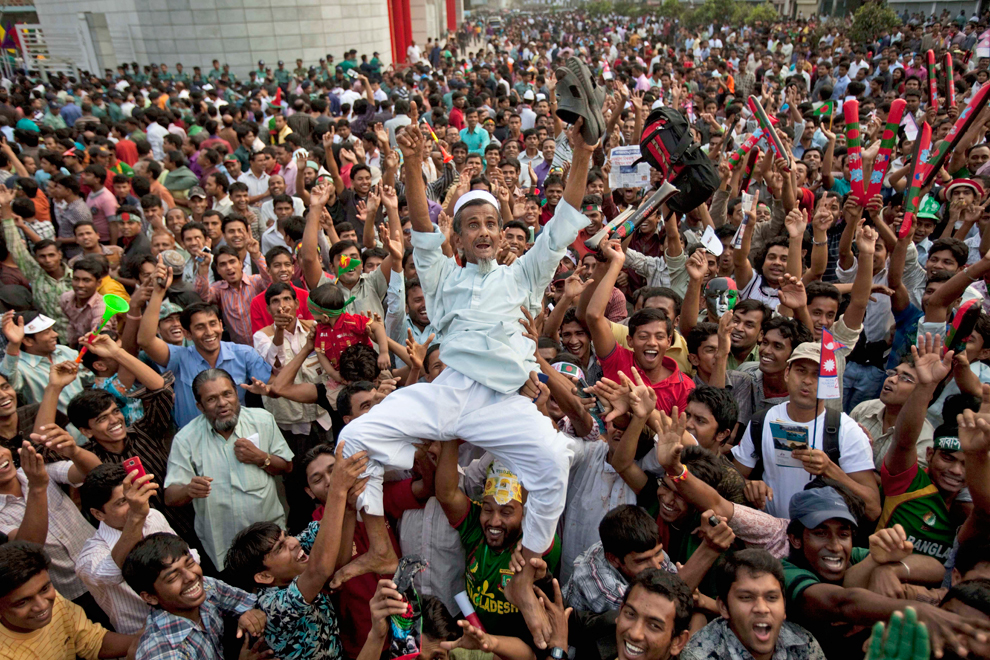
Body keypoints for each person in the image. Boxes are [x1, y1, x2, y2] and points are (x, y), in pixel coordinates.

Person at [332, 119, 598, 648]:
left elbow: (565, 218)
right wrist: (411, 164)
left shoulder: (523, 274)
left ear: (501, 233)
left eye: (489, 223)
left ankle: (526, 571)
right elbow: (419, 224)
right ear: (457, 234)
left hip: (502, 403)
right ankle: (381, 543)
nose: (480, 231)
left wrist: (583, 153)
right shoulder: (441, 275)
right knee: (351, 441)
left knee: (550, 468)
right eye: (470, 223)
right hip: (446, 392)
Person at [222, 441, 366, 660]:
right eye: (280, 547)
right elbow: (320, 571)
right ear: (264, 576)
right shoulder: (272, 606)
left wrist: (346, 509)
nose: (293, 543)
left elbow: (332, 546)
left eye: (286, 535)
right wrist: (337, 489)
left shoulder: (291, 556)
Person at [731, 342, 879, 520]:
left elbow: (872, 509)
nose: (807, 381)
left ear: (830, 382)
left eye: (818, 374)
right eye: (801, 370)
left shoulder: (847, 431)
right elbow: (735, 478)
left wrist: (830, 469)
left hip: (819, 540)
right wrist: (750, 486)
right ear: (787, 373)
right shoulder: (761, 421)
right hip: (770, 533)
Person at [163, 368, 293, 568]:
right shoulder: (185, 439)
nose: (222, 403)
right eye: (212, 399)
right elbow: (171, 497)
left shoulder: (262, 420)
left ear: (236, 394)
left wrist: (261, 458)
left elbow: (287, 466)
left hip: (271, 541)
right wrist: (189, 490)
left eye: (227, 394)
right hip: (224, 548)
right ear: (200, 406)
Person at [137, 258, 273, 428]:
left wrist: (266, 389)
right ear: (187, 333)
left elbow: (274, 385)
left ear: (221, 326)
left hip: (238, 437)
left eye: (213, 324)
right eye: (200, 327)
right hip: (193, 444)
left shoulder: (243, 354)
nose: (209, 332)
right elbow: (145, 340)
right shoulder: (179, 358)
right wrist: (158, 293)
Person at [75, 465, 193, 634]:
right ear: (98, 514)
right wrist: (136, 517)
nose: (133, 503)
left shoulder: (153, 516)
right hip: (148, 639)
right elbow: (111, 574)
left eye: (132, 495)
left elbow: (187, 556)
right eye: (123, 501)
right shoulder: (90, 556)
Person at [121, 532, 269, 659]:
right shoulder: (166, 653)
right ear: (150, 597)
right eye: (173, 577)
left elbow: (250, 603)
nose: (191, 577)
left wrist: (252, 614)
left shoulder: (205, 586)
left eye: (190, 563)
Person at [681, 548, 825, 660]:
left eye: (772, 597)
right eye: (746, 597)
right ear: (724, 607)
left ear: (784, 605)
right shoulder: (699, 655)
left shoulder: (803, 643)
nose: (762, 609)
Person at [0, 541, 138, 658]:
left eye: (44, 589)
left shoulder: (57, 603)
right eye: (22, 602)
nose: (42, 605)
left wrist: (143, 642)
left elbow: (93, 641)